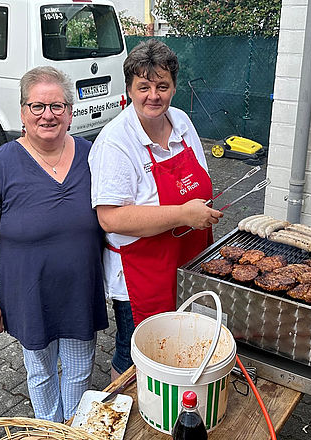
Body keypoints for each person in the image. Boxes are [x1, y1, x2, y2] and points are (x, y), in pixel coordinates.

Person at [0, 66, 108, 422]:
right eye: (37, 106)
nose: (48, 115)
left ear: (70, 113)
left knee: (79, 372)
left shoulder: (93, 157)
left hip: (80, 291)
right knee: (41, 372)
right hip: (30, 296)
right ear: (22, 112)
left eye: (58, 106)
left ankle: (72, 427)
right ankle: (49, 427)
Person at [88, 39, 223, 381]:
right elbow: (110, 217)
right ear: (129, 90)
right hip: (142, 274)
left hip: (188, 263)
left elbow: (201, 184)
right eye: (143, 86)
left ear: (174, 88)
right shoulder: (116, 141)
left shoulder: (181, 122)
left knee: (181, 348)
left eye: (162, 86)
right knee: (137, 359)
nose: (154, 96)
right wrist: (182, 215)